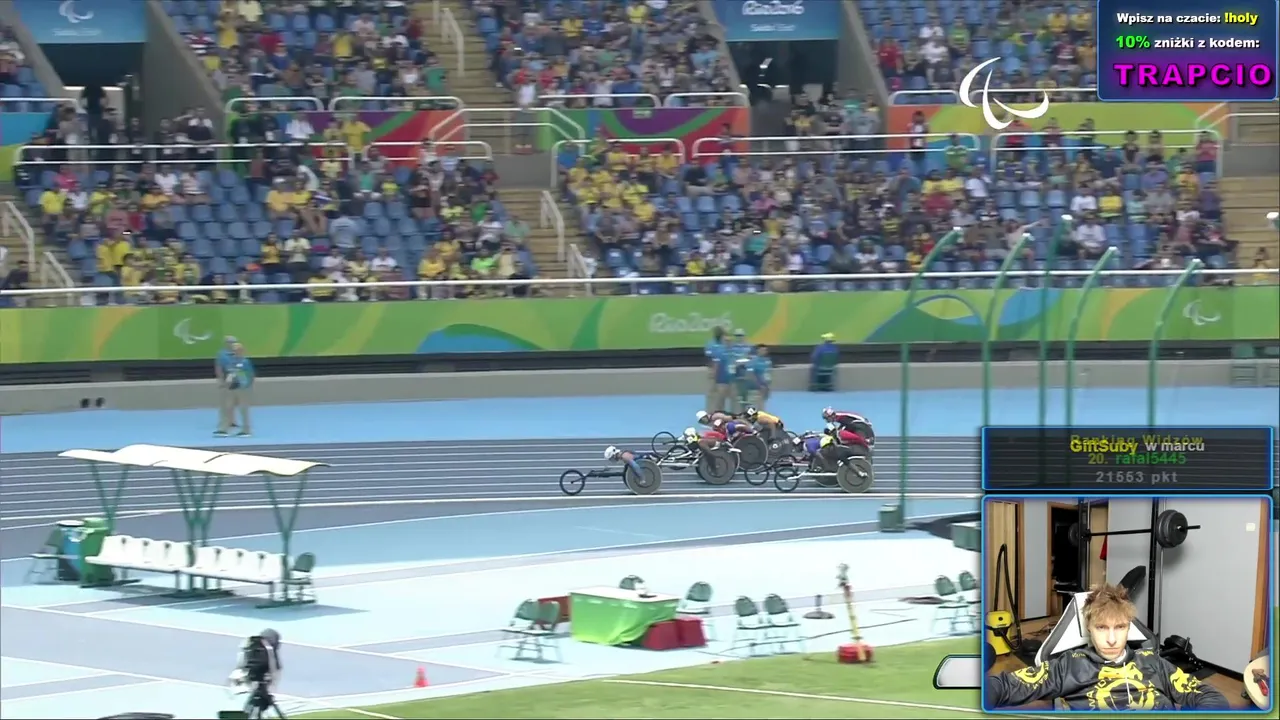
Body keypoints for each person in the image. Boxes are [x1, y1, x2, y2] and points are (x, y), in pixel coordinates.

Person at [985, 584, 1229, 710]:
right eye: (1102, 628)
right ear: (1090, 628)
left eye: (1119, 627)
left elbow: (1207, 695)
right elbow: (1003, 686)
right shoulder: (1068, 666)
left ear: (1128, 627)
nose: (1112, 639)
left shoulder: (1154, 663)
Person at [216, 342, 255, 438]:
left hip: (242, 389)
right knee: (228, 408)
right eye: (233, 350)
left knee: (243, 409)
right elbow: (229, 374)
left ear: (241, 351)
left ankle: (246, 430)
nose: (234, 352)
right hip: (231, 388)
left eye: (236, 350)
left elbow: (250, 375)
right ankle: (224, 429)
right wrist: (225, 384)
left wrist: (247, 385)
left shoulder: (245, 362)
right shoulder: (231, 362)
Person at [704, 326, 731, 413]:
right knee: (712, 392)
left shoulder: (725, 345)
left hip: (723, 372)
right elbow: (709, 358)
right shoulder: (711, 344)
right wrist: (713, 371)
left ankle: (720, 411)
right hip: (713, 370)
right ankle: (710, 412)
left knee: (721, 394)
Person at [748, 345, 773, 409]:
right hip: (756, 386)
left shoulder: (767, 361)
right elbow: (751, 374)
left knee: (763, 401)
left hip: (765, 385)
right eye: (762, 350)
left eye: (765, 350)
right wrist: (758, 385)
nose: (763, 351)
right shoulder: (753, 361)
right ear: (758, 351)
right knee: (758, 402)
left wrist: (768, 385)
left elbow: (768, 373)